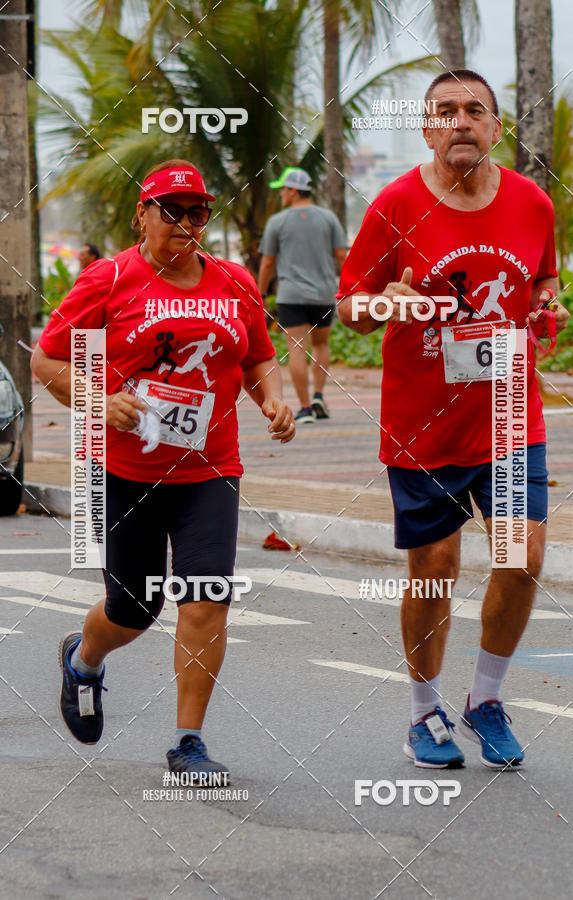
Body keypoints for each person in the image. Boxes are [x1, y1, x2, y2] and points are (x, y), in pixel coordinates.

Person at [32, 159, 295, 777]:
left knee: (207, 598)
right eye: (171, 210)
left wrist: (275, 400)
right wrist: (100, 400)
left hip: (210, 470)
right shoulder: (109, 278)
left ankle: (188, 741)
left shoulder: (234, 281)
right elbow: (47, 362)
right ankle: (83, 661)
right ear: (142, 216)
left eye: (197, 212)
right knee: (134, 609)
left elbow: (258, 357)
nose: (185, 222)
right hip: (123, 471)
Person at [337, 71, 569, 769]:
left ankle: (485, 700)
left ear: (496, 128)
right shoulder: (396, 204)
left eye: (475, 110)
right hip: (423, 425)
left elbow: (544, 278)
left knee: (522, 559)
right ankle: (423, 711)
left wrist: (547, 306)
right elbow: (349, 305)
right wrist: (385, 303)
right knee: (435, 570)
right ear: (427, 128)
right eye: (445, 111)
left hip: (507, 414)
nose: (460, 121)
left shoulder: (531, 203)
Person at [258, 167, 347, 423]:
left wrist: (261, 292)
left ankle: (305, 408)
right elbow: (341, 256)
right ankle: (318, 395)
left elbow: (267, 263)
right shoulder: (328, 218)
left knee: (297, 349)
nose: (281, 194)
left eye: (283, 190)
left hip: (291, 295)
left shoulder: (277, 222)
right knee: (321, 345)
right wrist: (348, 287)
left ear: (293, 191)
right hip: (323, 294)